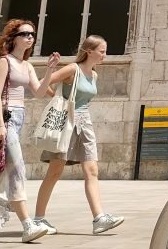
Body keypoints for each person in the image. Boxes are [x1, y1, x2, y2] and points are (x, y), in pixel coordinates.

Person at [0, 20, 59, 243]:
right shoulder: (4, 62)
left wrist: (50, 71)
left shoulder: (27, 66)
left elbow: (38, 92)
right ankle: (28, 225)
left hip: (17, 119)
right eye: (25, 34)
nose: (30, 38)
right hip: (4, 118)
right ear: (13, 37)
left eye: (32, 34)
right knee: (18, 168)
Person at [32, 35, 124, 235]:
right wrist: (57, 97)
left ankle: (99, 218)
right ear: (89, 51)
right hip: (66, 123)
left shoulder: (94, 74)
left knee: (92, 170)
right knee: (55, 172)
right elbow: (41, 85)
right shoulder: (72, 69)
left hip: (85, 124)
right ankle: (38, 219)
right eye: (102, 51)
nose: (104, 55)